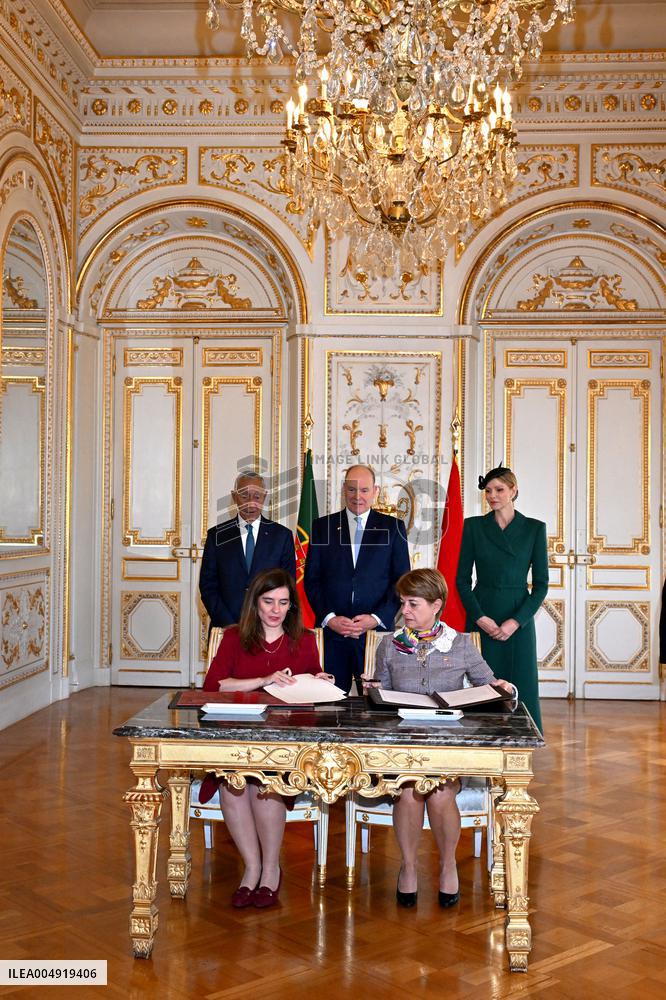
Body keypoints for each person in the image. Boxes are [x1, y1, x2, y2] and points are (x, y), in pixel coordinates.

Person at [364, 568, 514, 909]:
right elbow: (380, 691)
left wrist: (501, 687)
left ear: (436, 605)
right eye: (403, 603)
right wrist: (373, 689)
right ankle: (409, 865)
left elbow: (488, 686)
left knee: (441, 792)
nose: (405, 611)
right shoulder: (389, 644)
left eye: (413, 604)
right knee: (407, 792)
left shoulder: (460, 644)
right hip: (401, 747)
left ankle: (447, 865)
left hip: (447, 746)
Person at [201, 568, 334, 908]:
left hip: (284, 741)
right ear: (255, 603)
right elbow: (215, 686)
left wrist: (319, 679)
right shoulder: (234, 638)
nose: (276, 610)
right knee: (233, 784)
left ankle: (272, 868)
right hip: (236, 734)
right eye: (268, 601)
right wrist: (262, 680)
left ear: (292, 606)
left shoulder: (303, 639)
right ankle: (252, 868)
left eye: (284, 603)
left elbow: (311, 683)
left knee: (265, 785)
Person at [455, 465, 548, 733]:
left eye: (499, 489)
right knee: (480, 681)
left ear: (513, 490)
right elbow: (462, 580)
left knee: (521, 680)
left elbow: (541, 585)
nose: (492, 495)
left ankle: (523, 736)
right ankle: (478, 736)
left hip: (518, 617)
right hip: (482, 612)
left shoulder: (534, 529)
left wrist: (515, 622)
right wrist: (480, 617)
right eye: (488, 491)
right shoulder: (473, 526)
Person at [304, 464, 411, 692]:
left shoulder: (393, 528)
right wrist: (330, 618)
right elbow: (312, 580)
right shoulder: (322, 527)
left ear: (375, 491)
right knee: (329, 706)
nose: (357, 496)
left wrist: (375, 618)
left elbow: (401, 582)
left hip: (375, 635)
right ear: (344, 490)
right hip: (332, 635)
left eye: (364, 490)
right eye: (352, 490)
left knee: (378, 705)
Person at [199, 470, 296, 627]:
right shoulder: (217, 536)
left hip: (268, 627)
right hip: (226, 626)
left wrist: (269, 620)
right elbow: (208, 585)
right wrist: (228, 624)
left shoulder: (282, 536)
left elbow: (287, 585)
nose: (251, 502)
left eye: (257, 497)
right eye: (244, 496)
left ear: (264, 497)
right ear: (234, 496)